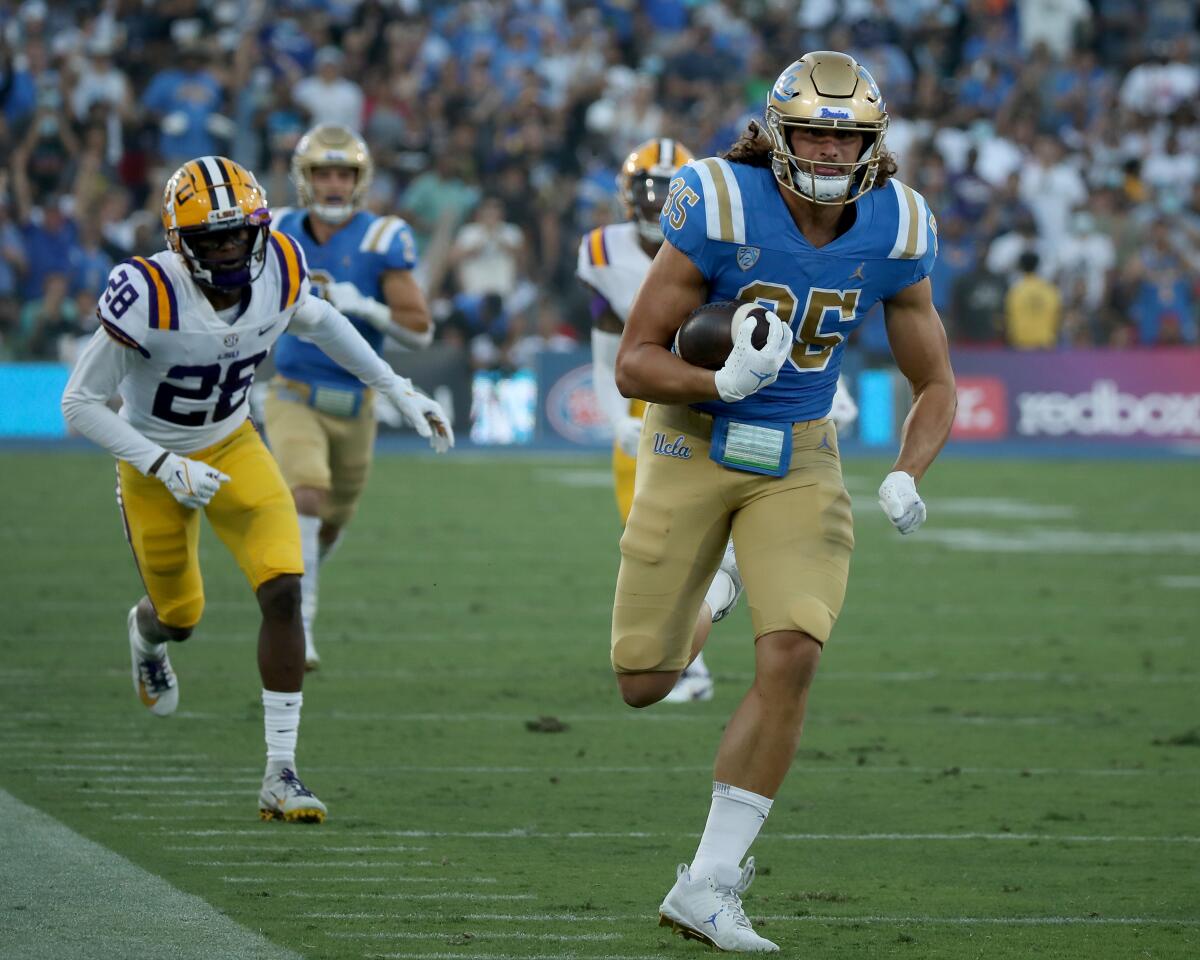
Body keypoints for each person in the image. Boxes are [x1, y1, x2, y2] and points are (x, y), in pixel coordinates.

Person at [612, 52, 956, 951]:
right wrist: (719, 378)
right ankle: (718, 591)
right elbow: (632, 363)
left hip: (802, 451)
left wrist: (908, 470)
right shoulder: (721, 201)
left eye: (847, 138)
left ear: (873, 145)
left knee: (796, 651)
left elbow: (936, 380)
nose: (831, 153)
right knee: (643, 682)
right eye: (812, 132)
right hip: (690, 437)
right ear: (776, 130)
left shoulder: (896, 224)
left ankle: (709, 882)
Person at [60, 156, 453, 825]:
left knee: (284, 589)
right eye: (214, 239)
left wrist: (396, 387)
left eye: (240, 234)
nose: (231, 248)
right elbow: (79, 404)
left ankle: (281, 771)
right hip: (154, 461)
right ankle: (146, 637)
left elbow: (323, 321)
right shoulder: (149, 293)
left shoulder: (281, 270)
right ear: (181, 243)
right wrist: (162, 464)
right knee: (180, 617)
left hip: (235, 443)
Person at [580, 138, 858, 706]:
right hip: (661, 404)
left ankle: (699, 652)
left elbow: (800, 320)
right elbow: (611, 345)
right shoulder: (603, 252)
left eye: (669, 190)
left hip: (763, 399)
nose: (660, 203)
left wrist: (836, 387)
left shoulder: (732, 228)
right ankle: (694, 628)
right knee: (653, 558)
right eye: (648, 190)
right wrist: (616, 419)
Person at [265, 124, 434, 670]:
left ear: (359, 181)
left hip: (357, 405)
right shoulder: (276, 232)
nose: (334, 184)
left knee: (331, 521)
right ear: (304, 179)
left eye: (344, 174)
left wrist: (368, 306)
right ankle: (301, 625)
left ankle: (296, 574)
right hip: (293, 394)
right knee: (307, 498)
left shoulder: (382, 237)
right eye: (323, 173)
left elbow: (420, 328)